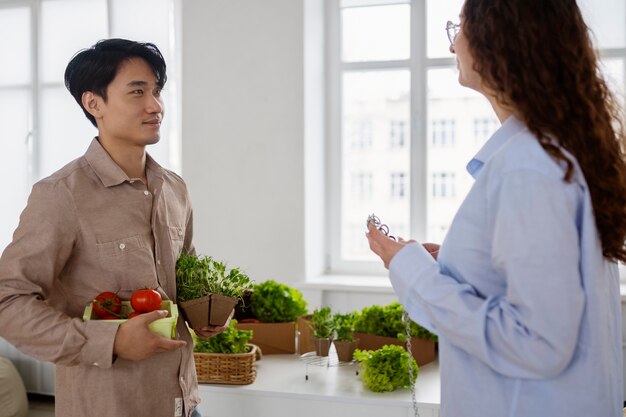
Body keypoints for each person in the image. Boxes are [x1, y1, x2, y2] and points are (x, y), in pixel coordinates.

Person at [367, 1, 626, 416]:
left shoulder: (528, 167)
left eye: (460, 28)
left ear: (500, 41)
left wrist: (412, 272)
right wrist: (453, 263)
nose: (453, 47)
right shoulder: (556, 154)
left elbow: (537, 342)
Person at [0, 39, 222, 417]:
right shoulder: (60, 195)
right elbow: (8, 302)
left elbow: (183, 271)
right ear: (94, 103)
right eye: (137, 92)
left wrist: (207, 308)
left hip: (183, 403)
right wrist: (111, 339)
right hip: (108, 406)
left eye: (156, 91)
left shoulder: (174, 188)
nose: (155, 106)